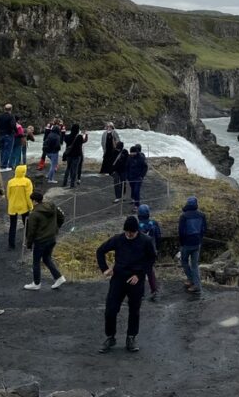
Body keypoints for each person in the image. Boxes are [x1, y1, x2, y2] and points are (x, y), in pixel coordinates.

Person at [96, 215, 157, 353]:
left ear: (137, 231)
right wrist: (104, 268)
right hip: (118, 278)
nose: (129, 235)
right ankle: (110, 337)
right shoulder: (118, 239)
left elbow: (151, 259)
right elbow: (100, 251)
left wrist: (140, 274)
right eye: (127, 232)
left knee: (134, 310)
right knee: (110, 309)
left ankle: (131, 337)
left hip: (136, 279)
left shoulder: (146, 241)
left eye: (132, 232)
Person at [24, 191, 66, 290]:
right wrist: (56, 228)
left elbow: (31, 231)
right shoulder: (52, 206)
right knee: (46, 258)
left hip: (40, 241)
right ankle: (59, 277)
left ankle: (36, 283)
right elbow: (61, 217)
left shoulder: (34, 214)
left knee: (36, 262)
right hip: (52, 238)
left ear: (34, 201)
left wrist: (29, 244)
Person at [178, 196, 207, 295]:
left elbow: (181, 232)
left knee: (184, 262)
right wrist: (200, 239)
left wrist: (182, 243)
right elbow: (204, 229)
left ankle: (193, 282)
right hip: (197, 243)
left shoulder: (184, 216)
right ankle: (195, 283)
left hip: (186, 244)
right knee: (195, 265)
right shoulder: (202, 215)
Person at [137, 204, 162, 301]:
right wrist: (158, 248)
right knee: (150, 271)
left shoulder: (137, 226)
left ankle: (141, 293)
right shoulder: (154, 223)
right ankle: (154, 290)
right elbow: (158, 237)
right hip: (152, 251)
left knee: (140, 272)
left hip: (140, 252)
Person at [6, 164, 34, 250]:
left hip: (13, 206)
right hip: (23, 206)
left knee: (12, 225)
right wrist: (31, 206)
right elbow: (29, 196)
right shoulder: (27, 181)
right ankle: (29, 243)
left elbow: (8, 195)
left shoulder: (10, 182)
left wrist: (11, 202)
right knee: (27, 224)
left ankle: (11, 244)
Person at [61, 124, 87, 188]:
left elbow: (63, 138)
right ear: (78, 129)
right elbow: (84, 141)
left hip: (69, 155)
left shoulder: (67, 136)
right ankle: (72, 184)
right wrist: (86, 134)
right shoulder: (79, 137)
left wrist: (63, 131)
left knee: (68, 168)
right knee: (74, 170)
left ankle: (64, 182)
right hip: (77, 155)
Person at [125, 145, 148, 210]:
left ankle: (137, 205)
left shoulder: (141, 158)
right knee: (133, 189)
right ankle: (133, 199)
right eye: (130, 152)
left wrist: (141, 176)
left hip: (138, 178)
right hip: (131, 177)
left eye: (132, 152)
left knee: (136, 191)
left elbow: (145, 167)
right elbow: (127, 167)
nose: (131, 154)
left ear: (135, 152)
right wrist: (127, 176)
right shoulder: (129, 158)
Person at [0, 104, 16, 171]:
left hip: (0, 134)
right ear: (11, 109)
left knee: (2, 150)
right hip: (8, 134)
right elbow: (13, 125)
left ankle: (2, 164)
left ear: (4, 109)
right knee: (7, 150)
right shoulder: (11, 116)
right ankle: (4, 166)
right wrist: (14, 131)